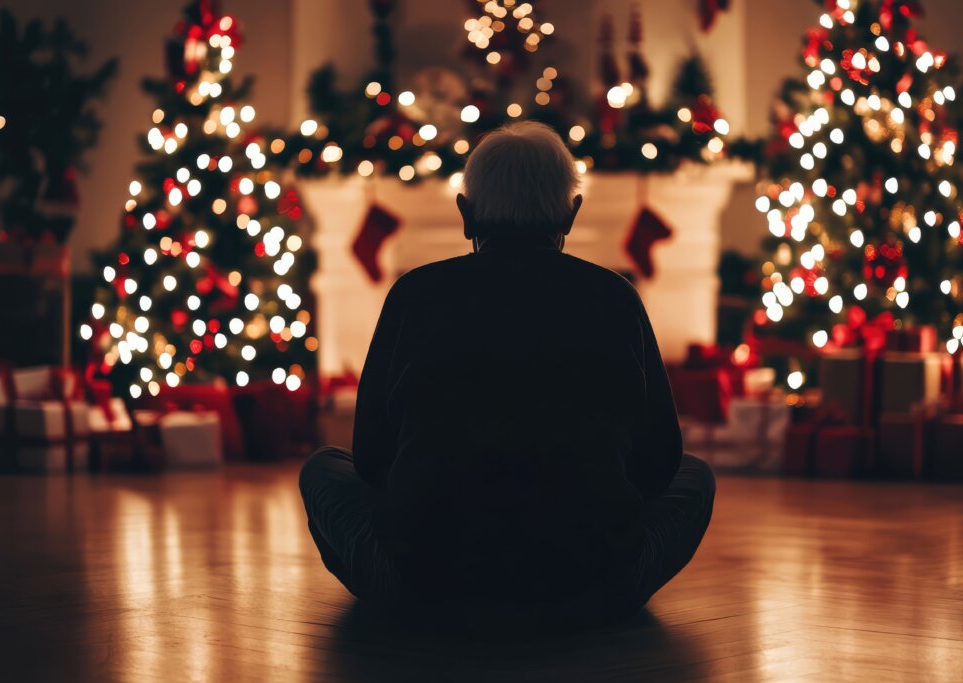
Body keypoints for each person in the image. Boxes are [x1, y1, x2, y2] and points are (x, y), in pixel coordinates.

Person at [300, 121, 715, 624]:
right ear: (571, 213)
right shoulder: (614, 297)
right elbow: (661, 461)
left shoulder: (414, 294)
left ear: (465, 214)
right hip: (590, 580)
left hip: (426, 580)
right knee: (696, 476)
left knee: (323, 467)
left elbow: (369, 457)